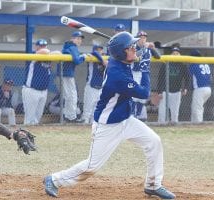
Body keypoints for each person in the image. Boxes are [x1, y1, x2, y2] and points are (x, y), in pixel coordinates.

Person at [43, 32, 176, 199]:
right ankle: (54, 180)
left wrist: (138, 51)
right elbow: (143, 93)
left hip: (126, 119)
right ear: (121, 53)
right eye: (131, 47)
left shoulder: (118, 59)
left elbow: (129, 56)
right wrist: (145, 67)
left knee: (154, 142)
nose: (134, 49)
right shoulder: (117, 75)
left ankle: (153, 185)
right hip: (108, 125)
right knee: (92, 166)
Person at [22, 39, 53, 125]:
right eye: (40, 46)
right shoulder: (33, 55)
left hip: (43, 91)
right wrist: (48, 52)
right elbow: (44, 51)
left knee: (37, 117)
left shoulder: (48, 57)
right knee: (29, 118)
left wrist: (51, 53)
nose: (43, 48)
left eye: (44, 46)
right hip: (31, 90)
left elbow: (59, 53)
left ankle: (34, 134)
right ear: (36, 47)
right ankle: (26, 135)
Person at [131, 30, 161, 121]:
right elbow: (135, 56)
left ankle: (138, 114)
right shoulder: (133, 47)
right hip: (136, 72)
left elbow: (158, 57)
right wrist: (144, 47)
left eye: (144, 37)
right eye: (141, 37)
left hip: (145, 73)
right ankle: (132, 115)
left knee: (144, 96)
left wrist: (153, 48)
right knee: (134, 95)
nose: (143, 39)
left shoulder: (148, 48)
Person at [57, 31, 86, 122]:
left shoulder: (68, 46)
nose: (79, 40)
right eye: (77, 38)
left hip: (65, 74)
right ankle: (71, 117)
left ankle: (68, 116)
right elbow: (77, 61)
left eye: (80, 39)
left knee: (70, 96)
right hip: (66, 75)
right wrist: (84, 56)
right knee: (72, 96)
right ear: (72, 39)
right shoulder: (72, 47)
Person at [157, 47, 191, 124]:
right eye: (173, 53)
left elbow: (187, 78)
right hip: (165, 91)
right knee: (162, 110)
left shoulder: (182, 65)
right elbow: (160, 77)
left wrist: (185, 88)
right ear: (170, 55)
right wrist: (159, 91)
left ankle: (174, 123)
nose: (175, 55)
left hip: (176, 91)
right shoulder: (165, 63)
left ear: (180, 55)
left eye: (177, 53)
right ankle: (161, 124)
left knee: (175, 110)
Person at [81, 44, 107, 124]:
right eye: (98, 49)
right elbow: (95, 53)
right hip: (91, 87)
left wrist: (103, 59)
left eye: (101, 49)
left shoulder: (105, 57)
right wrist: (103, 60)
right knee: (87, 110)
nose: (100, 51)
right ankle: (83, 125)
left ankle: (92, 126)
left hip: (100, 88)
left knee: (95, 110)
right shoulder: (92, 56)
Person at [189, 49, 211, 123]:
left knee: (197, 108)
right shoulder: (206, 64)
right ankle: (194, 122)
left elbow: (189, 75)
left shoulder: (194, 65)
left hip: (200, 89)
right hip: (208, 89)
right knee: (196, 107)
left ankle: (199, 123)